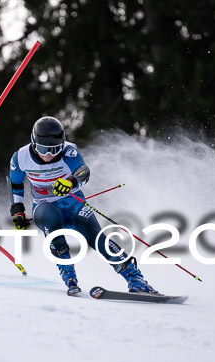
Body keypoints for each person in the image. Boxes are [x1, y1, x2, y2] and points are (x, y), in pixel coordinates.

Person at [8, 116, 157, 295]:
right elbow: (16, 184)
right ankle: (69, 275)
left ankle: (135, 278)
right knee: (51, 218)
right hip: (43, 205)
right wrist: (18, 212)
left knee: (95, 235)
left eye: (55, 149)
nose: (48, 155)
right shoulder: (20, 157)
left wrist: (70, 182)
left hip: (72, 201)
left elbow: (83, 171)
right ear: (33, 143)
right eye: (42, 149)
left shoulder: (69, 151)